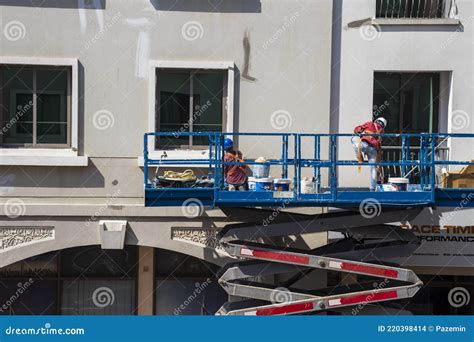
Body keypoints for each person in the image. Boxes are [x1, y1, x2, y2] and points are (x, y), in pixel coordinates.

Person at [351, 117, 387, 191]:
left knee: (353, 139)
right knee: (373, 168)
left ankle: (359, 157)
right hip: (373, 150)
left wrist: (359, 132)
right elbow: (379, 144)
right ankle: (372, 188)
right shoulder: (382, 131)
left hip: (365, 145)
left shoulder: (370, 123)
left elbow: (358, 129)